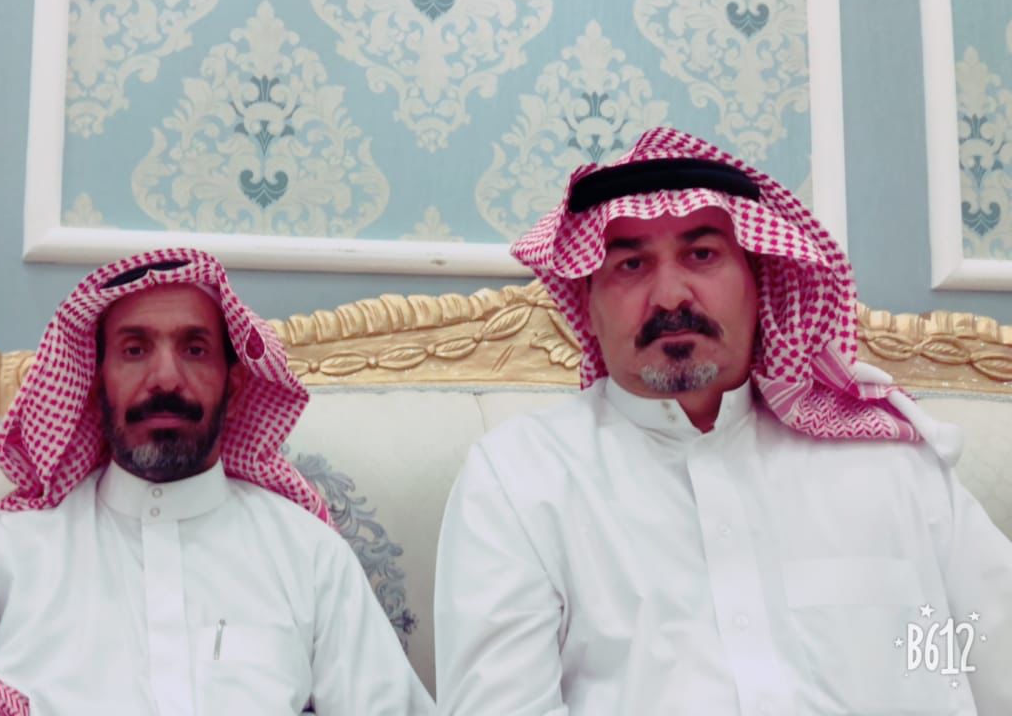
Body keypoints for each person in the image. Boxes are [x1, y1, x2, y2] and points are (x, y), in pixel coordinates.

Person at [433, 127, 1012, 715]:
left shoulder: (890, 466)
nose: (669, 296)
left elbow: (992, 666)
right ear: (589, 304)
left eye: (702, 255)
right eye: (631, 264)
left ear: (760, 281)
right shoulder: (520, 482)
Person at [0, 249, 432, 715]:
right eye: (135, 349)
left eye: (195, 349)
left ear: (234, 380)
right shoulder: (14, 548)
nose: (165, 378)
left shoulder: (306, 555)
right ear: (93, 381)